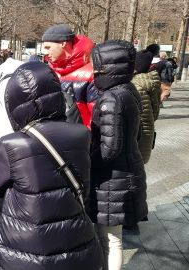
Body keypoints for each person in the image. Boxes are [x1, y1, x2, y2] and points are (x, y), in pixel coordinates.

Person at [0, 61, 102, 270]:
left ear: (14, 100)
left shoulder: (10, 144)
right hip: (76, 240)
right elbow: (84, 186)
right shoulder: (82, 135)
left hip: (24, 249)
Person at [90, 40, 147, 270]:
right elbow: (138, 133)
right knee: (114, 239)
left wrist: (86, 160)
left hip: (112, 179)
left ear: (110, 66)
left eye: (98, 66)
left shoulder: (111, 98)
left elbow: (109, 149)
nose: (94, 71)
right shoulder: (128, 90)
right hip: (127, 172)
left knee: (110, 241)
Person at [42, 24, 98, 129]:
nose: (45, 52)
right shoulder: (51, 71)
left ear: (63, 44)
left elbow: (96, 118)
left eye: (48, 47)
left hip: (82, 140)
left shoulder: (91, 73)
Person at [133, 50, 162, 164]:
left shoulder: (134, 84)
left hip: (137, 132)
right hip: (148, 128)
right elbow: (155, 112)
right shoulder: (153, 81)